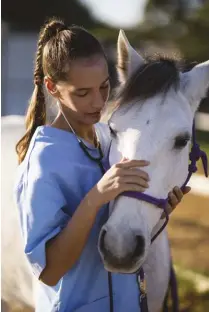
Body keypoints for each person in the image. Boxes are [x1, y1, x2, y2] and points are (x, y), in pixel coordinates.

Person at [14, 18, 191, 312]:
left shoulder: (109, 139)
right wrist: (97, 196)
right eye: (82, 93)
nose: (98, 103)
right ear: (52, 88)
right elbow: (49, 272)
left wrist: (158, 208)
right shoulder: (44, 161)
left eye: (104, 87)